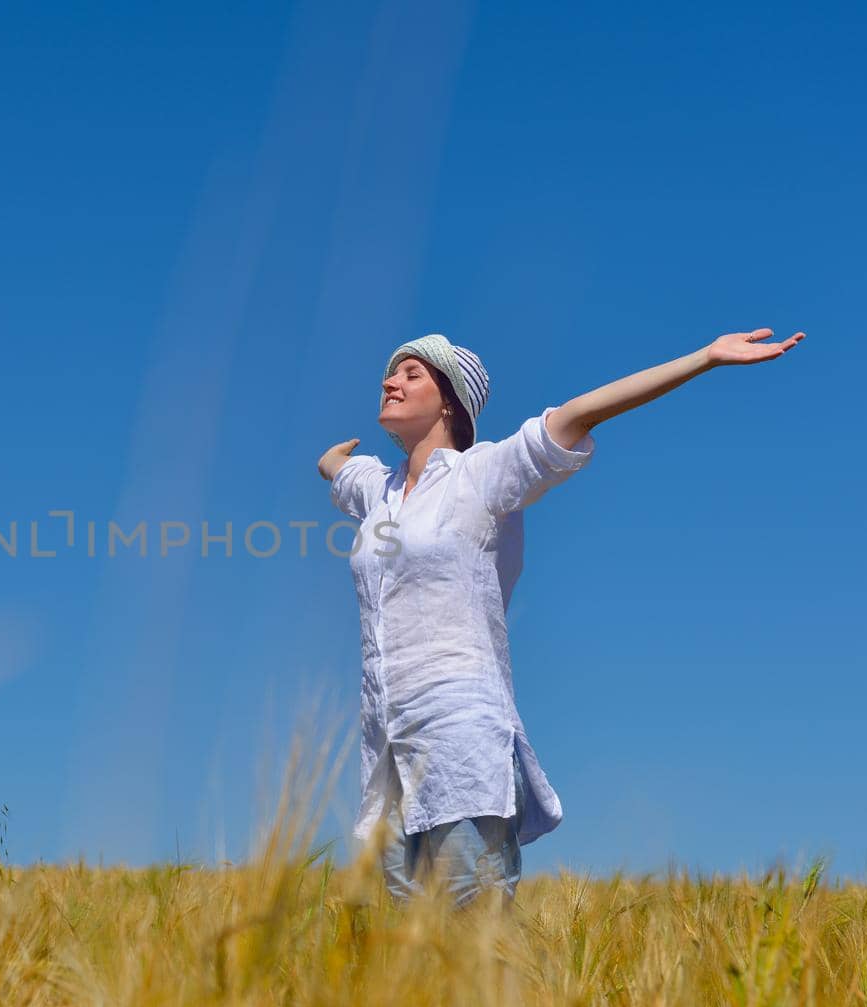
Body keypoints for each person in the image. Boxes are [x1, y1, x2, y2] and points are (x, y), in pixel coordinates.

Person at [317, 327, 806, 909]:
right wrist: (334, 458)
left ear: (449, 399)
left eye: (410, 373)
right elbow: (335, 469)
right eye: (390, 373)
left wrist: (705, 358)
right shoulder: (382, 493)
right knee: (404, 961)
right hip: (387, 755)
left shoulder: (484, 475)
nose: (389, 381)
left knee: (472, 936)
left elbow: (581, 413)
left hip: (458, 742)